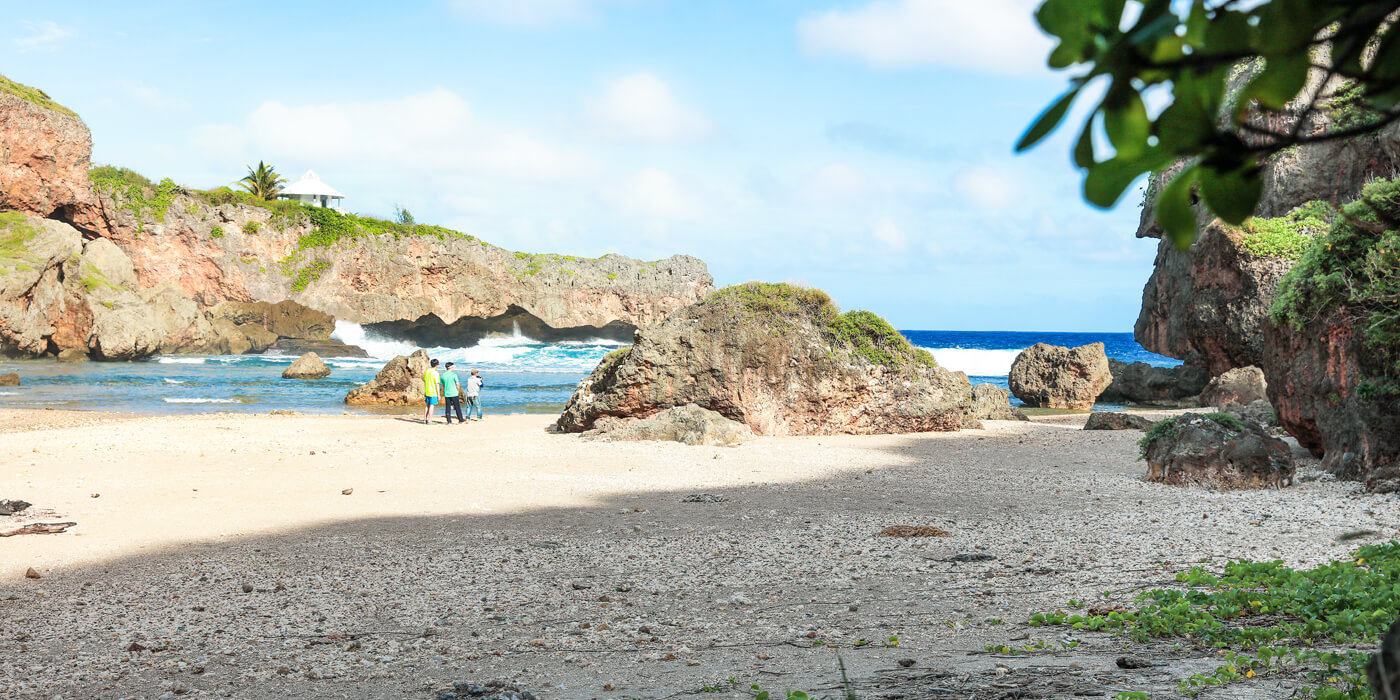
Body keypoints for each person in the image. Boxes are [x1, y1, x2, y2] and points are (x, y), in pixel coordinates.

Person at [422, 359, 442, 424]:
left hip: (427, 390)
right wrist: (439, 394)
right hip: (433, 391)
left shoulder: (427, 371)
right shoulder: (436, 373)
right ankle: (430, 420)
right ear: (437, 365)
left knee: (427, 405)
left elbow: (424, 380)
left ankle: (425, 419)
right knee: (431, 406)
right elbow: (437, 384)